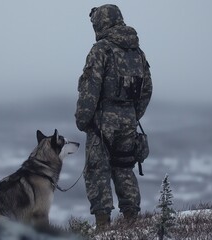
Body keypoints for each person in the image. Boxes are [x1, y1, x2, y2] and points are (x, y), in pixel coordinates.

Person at [75, 4, 152, 229]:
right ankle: (132, 219)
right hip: (129, 120)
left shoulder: (101, 49)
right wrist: (133, 113)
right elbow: (147, 88)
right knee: (123, 167)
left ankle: (102, 224)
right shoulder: (137, 52)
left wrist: (83, 119)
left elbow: (90, 87)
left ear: (102, 22)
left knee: (97, 169)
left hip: (102, 122)